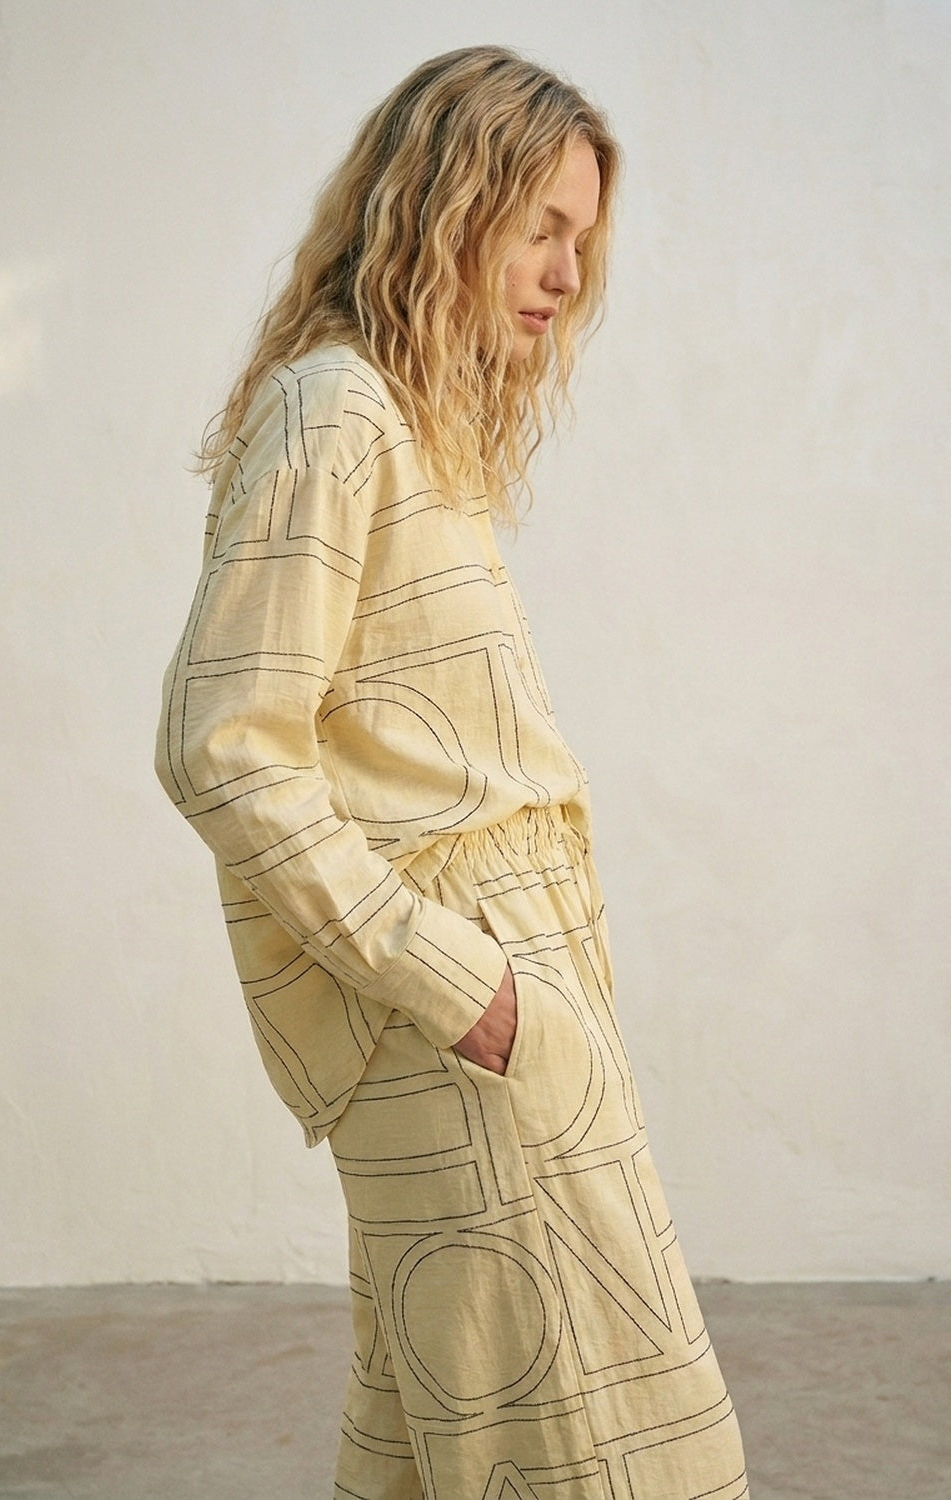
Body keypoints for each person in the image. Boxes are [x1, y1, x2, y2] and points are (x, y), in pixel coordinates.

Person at [156, 44, 748, 1500]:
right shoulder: (336, 410)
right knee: (614, 1452)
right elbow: (225, 742)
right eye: (541, 226)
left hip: (507, 1004)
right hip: (457, 1022)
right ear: (446, 203)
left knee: (442, 1442)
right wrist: (456, 981)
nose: (566, 273)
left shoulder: (416, 423)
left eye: (581, 241)